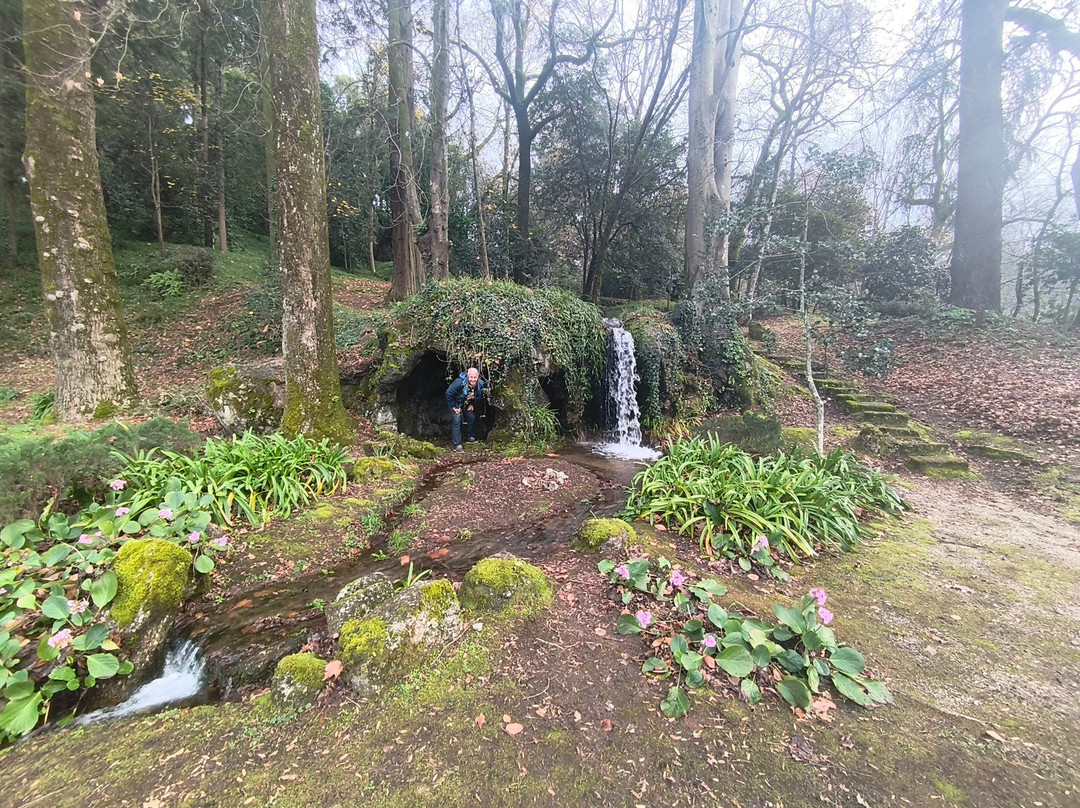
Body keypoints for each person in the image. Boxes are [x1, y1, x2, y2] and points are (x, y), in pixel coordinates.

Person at [445, 367, 485, 452]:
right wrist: (454, 406)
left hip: (465, 403)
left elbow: (479, 397)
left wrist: (472, 404)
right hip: (455, 403)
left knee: (471, 417)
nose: (473, 380)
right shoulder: (459, 382)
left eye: (475, 377)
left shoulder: (480, 384)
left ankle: (470, 437)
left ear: (478, 376)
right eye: (471, 377)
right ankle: (457, 445)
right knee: (457, 419)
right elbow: (448, 393)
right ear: (467, 376)